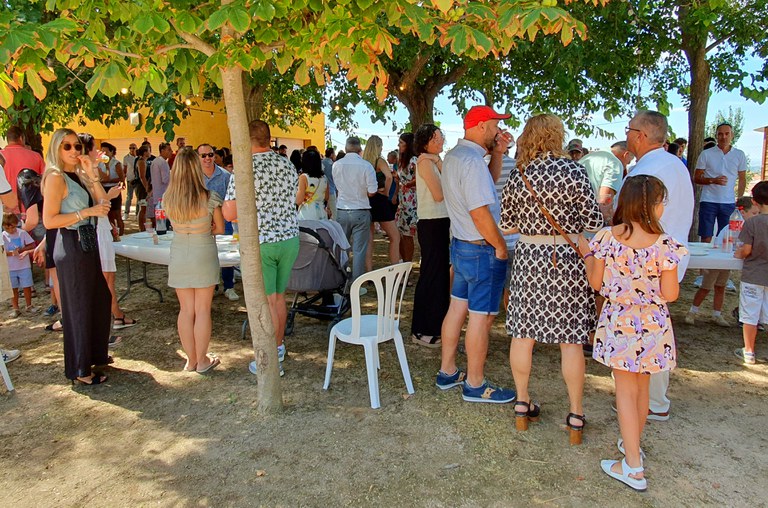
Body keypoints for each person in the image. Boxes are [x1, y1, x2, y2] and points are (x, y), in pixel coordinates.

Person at [500, 114, 603, 436]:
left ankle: (522, 402)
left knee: (522, 335)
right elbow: (594, 222)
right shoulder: (574, 170)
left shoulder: (519, 174)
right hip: (567, 260)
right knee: (570, 340)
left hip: (530, 257)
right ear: (557, 136)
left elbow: (506, 225)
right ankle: (575, 413)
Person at [583, 175, 686, 492]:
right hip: (653, 325)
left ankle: (633, 465)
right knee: (641, 390)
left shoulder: (607, 238)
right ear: (655, 206)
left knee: (625, 392)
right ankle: (633, 451)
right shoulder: (665, 244)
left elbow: (597, 285)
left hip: (619, 322)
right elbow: (670, 294)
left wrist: (588, 257)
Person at [438, 105, 516, 404]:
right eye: (496, 125)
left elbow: (489, 183)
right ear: (482, 126)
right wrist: (499, 246)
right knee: (480, 318)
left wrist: (498, 152)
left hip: (461, 244)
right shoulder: (470, 161)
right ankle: (475, 383)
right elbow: (481, 212)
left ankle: (448, 371)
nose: (499, 130)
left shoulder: (459, 157)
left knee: (457, 308)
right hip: (480, 248)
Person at [624, 110, 694, 422]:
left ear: (640, 135)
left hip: (646, 262)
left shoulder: (647, 170)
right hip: (667, 258)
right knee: (656, 329)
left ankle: (647, 400)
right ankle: (653, 399)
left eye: (629, 130)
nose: (627, 135)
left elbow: (633, 219)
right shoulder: (675, 165)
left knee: (642, 334)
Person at [223, 120, 300, 376]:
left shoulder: (244, 168)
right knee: (278, 297)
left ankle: (273, 355)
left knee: (268, 301)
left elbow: (230, 211)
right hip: (289, 238)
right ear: (269, 139)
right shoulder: (286, 163)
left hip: (262, 242)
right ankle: (278, 346)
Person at [42, 128, 112, 386]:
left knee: (99, 299)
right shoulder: (55, 177)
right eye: (66, 146)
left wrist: (91, 173)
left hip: (86, 242)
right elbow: (49, 220)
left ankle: (92, 356)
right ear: (57, 149)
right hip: (71, 243)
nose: (74, 151)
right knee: (79, 307)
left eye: (76, 146)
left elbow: (103, 204)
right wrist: (86, 212)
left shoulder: (77, 174)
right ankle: (80, 369)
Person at [163, 147, 224, 373]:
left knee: (186, 310)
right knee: (202, 309)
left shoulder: (169, 199)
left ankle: (191, 360)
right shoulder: (208, 197)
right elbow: (219, 228)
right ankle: (202, 360)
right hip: (203, 250)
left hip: (179, 252)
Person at [687, 197, 758, 327]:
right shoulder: (733, 225)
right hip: (719, 259)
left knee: (721, 287)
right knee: (706, 287)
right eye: (754, 213)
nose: (756, 216)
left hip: (728, 261)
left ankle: (717, 314)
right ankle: (692, 311)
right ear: (743, 213)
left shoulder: (749, 226)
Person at [410, 125, 449, 348]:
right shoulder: (424, 162)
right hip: (432, 222)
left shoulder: (431, 161)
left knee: (439, 276)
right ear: (426, 142)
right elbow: (439, 194)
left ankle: (436, 325)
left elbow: (448, 177)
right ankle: (423, 328)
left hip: (440, 222)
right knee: (432, 276)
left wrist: (437, 160)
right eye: (436, 137)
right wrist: (433, 161)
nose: (441, 140)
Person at [694, 122, 747, 243]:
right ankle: (705, 261)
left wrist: (740, 198)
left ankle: (722, 262)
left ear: (732, 135)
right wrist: (713, 180)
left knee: (727, 236)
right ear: (716, 136)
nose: (724, 137)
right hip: (708, 200)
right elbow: (696, 178)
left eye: (727, 134)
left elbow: (742, 178)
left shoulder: (739, 155)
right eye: (720, 134)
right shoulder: (706, 154)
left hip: (728, 202)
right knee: (706, 236)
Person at [333, 137, 377, 282]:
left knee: (342, 248)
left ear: (346, 149)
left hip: (342, 209)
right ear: (360, 149)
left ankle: (340, 279)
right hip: (360, 209)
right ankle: (357, 282)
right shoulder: (366, 166)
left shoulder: (337, 165)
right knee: (359, 250)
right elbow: (372, 191)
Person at [197, 143, 237, 301]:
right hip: (202, 222)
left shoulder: (225, 175)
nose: (207, 158)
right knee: (206, 255)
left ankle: (229, 286)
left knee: (226, 255)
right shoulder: (195, 176)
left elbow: (231, 199)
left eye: (210, 154)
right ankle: (210, 286)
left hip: (224, 221)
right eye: (203, 155)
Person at [734, 181, 768, 365]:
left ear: (755, 202)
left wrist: (738, 253)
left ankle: (749, 351)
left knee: (750, 314)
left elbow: (746, 250)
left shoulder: (752, 223)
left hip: (754, 274)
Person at [363, 135, 400, 271]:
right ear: (378, 146)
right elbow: (389, 176)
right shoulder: (379, 161)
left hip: (367, 200)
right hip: (380, 200)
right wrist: (386, 192)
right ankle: (395, 269)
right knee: (395, 236)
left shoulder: (364, 162)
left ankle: (368, 271)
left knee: (369, 239)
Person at [1, 126, 46, 207]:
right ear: (21, 138)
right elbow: (46, 181)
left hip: (5, 210)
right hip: (30, 210)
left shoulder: (1, 157)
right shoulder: (36, 156)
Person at [2, 213, 37, 316]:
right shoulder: (3, 236)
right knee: (13, 288)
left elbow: (32, 245)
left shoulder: (22, 233)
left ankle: (29, 305)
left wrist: (21, 250)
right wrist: (11, 253)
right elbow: (1, 251)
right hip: (10, 267)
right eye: (7, 228)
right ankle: (15, 308)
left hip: (24, 265)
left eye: (12, 227)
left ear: (16, 224)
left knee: (27, 286)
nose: (10, 230)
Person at [580, 145, 625, 223]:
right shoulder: (614, 163)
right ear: (626, 155)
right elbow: (604, 201)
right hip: (592, 223)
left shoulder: (586, 158)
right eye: (629, 161)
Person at [396, 133, 418, 263]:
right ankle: (402, 262)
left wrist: (408, 184)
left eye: (401, 143)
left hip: (412, 201)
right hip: (402, 201)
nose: (399, 146)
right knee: (400, 234)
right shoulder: (402, 160)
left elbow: (419, 177)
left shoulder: (413, 160)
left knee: (408, 235)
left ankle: (408, 264)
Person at [97, 142, 124, 237]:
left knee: (117, 214)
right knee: (109, 215)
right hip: (104, 189)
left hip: (114, 189)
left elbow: (121, 178)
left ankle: (122, 235)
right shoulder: (99, 163)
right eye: (102, 151)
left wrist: (109, 180)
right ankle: (113, 234)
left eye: (106, 151)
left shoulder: (116, 163)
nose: (104, 153)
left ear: (112, 152)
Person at [296, 150, 329, 220]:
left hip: (306, 214)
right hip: (321, 213)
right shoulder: (324, 178)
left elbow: (299, 200)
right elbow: (326, 197)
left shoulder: (304, 177)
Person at [134, 146, 151, 231]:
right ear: (145, 152)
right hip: (141, 187)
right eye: (148, 150)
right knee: (143, 208)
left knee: (144, 208)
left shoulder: (144, 161)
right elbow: (142, 176)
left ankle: (143, 227)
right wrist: (147, 188)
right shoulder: (141, 161)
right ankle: (142, 228)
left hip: (142, 187)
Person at [123, 143, 138, 219]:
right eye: (130, 148)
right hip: (130, 180)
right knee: (129, 197)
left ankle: (137, 214)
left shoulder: (139, 157)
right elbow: (124, 170)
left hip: (138, 180)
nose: (132, 149)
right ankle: (126, 213)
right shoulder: (126, 158)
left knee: (139, 197)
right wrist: (123, 181)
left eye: (133, 148)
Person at [322, 147, 337, 218]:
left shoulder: (321, 163)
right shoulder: (332, 165)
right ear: (331, 154)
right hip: (331, 190)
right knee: (334, 213)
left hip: (322, 191)